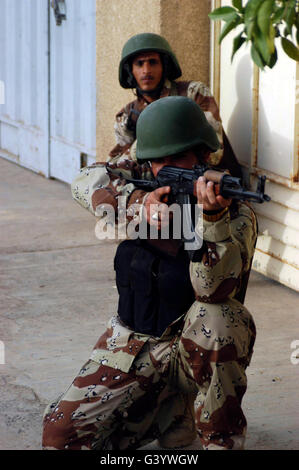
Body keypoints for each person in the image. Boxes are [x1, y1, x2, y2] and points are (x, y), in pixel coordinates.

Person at [42, 96, 257, 450]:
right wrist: (137, 205)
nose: (168, 167)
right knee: (59, 438)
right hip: (133, 344)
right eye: (160, 161)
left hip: (192, 347)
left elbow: (214, 290)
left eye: (180, 159)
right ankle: (168, 414)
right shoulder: (144, 179)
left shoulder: (235, 214)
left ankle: (219, 438)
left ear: (202, 155)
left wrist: (213, 220)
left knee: (220, 318)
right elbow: (84, 180)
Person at [108, 32, 242, 182]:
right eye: (139, 64)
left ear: (164, 66)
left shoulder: (193, 93)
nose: (146, 70)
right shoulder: (126, 117)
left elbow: (215, 153)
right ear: (130, 71)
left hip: (207, 185)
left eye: (153, 62)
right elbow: (119, 167)